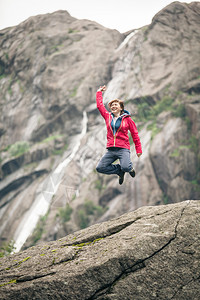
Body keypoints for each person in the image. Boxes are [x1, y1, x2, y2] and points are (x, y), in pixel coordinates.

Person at [96, 85, 142, 185]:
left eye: (116, 104)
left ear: (121, 108)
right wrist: (99, 92)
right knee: (100, 168)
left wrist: (138, 149)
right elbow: (100, 106)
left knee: (126, 166)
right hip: (111, 149)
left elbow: (135, 134)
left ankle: (129, 168)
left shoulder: (128, 120)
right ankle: (118, 171)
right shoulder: (108, 117)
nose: (113, 106)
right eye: (111, 105)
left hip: (123, 149)